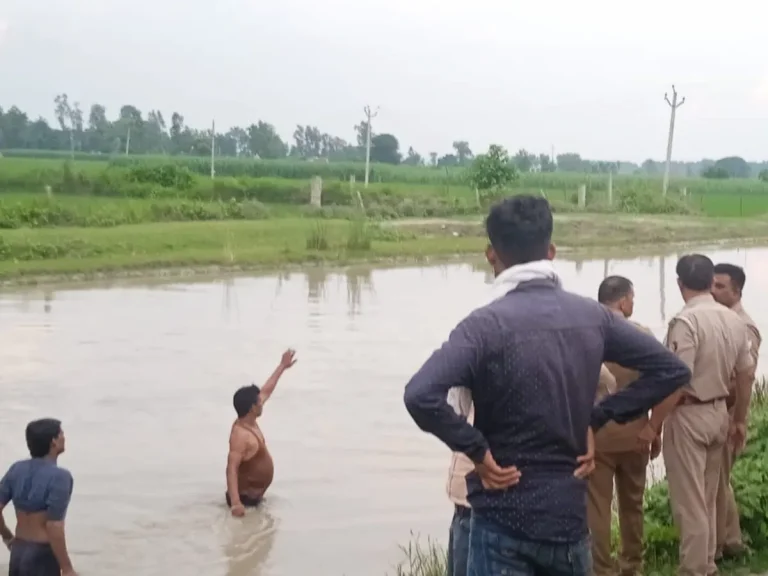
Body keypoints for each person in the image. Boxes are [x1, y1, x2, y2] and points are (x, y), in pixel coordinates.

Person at [403, 195, 691, 576]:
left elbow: (420, 394)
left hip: (501, 519)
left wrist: (477, 451)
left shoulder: (483, 325)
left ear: (491, 255)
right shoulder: (592, 317)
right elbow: (671, 370)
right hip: (567, 521)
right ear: (551, 251)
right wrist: (596, 419)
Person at [663, 254, 755, 576]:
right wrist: (740, 419)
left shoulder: (686, 322)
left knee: (689, 502)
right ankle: (708, 563)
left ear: (680, 284)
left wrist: (653, 423)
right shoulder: (733, 320)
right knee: (707, 495)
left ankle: (693, 568)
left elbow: (676, 379)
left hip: (689, 413)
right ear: (708, 283)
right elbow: (746, 375)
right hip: (719, 413)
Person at [588, 275, 660, 576]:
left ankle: (600, 568)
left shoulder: (588, 335)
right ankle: (633, 564)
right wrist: (655, 429)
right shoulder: (641, 335)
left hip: (597, 433)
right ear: (623, 300)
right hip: (636, 431)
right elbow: (659, 383)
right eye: (632, 297)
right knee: (633, 503)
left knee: (596, 507)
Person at [711, 262, 761, 561]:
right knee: (717, 480)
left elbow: (744, 377)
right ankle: (730, 541)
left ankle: (721, 545)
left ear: (736, 291)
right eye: (711, 285)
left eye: (720, 287)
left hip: (727, 412)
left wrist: (732, 416)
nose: (713, 291)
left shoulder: (743, 326)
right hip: (719, 410)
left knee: (718, 480)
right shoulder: (718, 319)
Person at [0, 418, 76, 576]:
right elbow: (54, 526)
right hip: (42, 557)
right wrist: (67, 568)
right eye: (61, 433)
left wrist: (7, 536)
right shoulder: (60, 476)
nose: (64, 437)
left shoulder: (16, 469)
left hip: (18, 552)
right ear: (53, 442)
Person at [226, 349, 297, 517]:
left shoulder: (249, 420)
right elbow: (231, 468)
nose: (262, 401)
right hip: (245, 503)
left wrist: (282, 366)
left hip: (255, 501)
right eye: (259, 401)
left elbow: (266, 390)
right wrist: (236, 503)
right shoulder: (240, 435)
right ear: (252, 407)